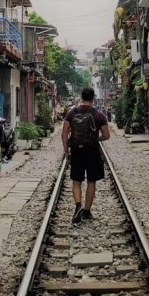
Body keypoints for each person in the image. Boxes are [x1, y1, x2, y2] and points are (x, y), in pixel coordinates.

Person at [61, 87, 110, 224]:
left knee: (76, 181)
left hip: (77, 150)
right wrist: (95, 139)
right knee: (91, 181)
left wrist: (66, 151)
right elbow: (106, 136)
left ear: (81, 97)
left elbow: (64, 133)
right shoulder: (99, 114)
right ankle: (87, 211)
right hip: (92, 151)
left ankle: (78, 205)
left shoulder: (72, 113)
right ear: (93, 98)